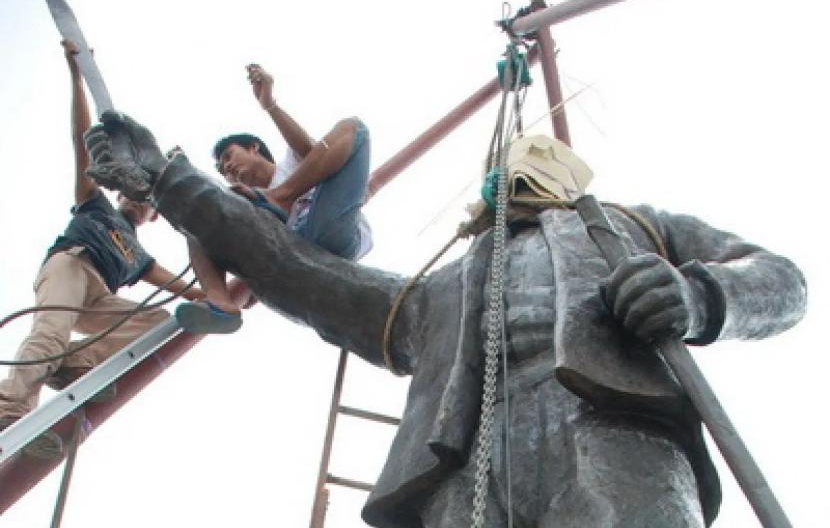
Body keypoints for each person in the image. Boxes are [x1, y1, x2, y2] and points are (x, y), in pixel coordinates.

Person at [83, 112, 806, 527]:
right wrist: (171, 182)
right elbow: (296, 270)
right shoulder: (442, 288)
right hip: (458, 470)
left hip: (618, 446)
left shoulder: (634, 229)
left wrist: (699, 296)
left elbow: (780, 278)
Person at [0, 41, 205, 459]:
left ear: (152, 214)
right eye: (133, 194)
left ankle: (72, 361)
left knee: (158, 323)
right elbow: (81, 141)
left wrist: (225, 297)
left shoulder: (136, 253)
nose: (137, 201)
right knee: (51, 332)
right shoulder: (95, 203)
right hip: (72, 265)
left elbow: (182, 287)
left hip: (99, 293)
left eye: (146, 201)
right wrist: (76, 76)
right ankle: (10, 409)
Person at [174, 63, 372, 333]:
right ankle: (220, 303)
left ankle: (281, 197)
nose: (227, 169)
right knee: (196, 215)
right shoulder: (244, 200)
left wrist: (270, 105)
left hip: (328, 230)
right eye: (222, 170)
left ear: (254, 148)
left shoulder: (293, 164)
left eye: (228, 157)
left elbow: (312, 149)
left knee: (354, 128)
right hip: (288, 254)